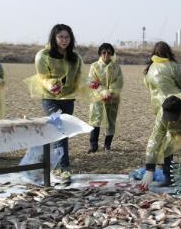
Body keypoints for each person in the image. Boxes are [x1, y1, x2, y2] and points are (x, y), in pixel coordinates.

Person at [26, 24, 84, 184]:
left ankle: (50, 164)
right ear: (54, 38)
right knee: (61, 129)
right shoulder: (43, 55)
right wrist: (51, 84)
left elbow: (79, 76)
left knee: (61, 132)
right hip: (50, 99)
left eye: (67, 37)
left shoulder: (74, 57)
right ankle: (62, 168)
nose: (64, 40)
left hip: (68, 99)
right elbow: (42, 77)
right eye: (61, 37)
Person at [142, 42, 181, 184]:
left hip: (158, 108)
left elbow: (148, 85)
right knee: (169, 141)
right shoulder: (173, 66)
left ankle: (153, 168)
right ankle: (167, 175)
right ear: (168, 52)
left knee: (159, 137)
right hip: (173, 107)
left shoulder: (150, 68)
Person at [87, 43, 123, 152]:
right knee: (95, 120)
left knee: (111, 122)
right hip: (97, 98)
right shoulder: (94, 66)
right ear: (100, 53)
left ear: (112, 54)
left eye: (109, 53)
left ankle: (107, 145)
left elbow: (118, 82)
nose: (106, 55)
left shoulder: (116, 67)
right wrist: (103, 92)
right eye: (104, 52)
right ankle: (93, 146)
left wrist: (110, 92)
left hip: (112, 99)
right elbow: (92, 81)